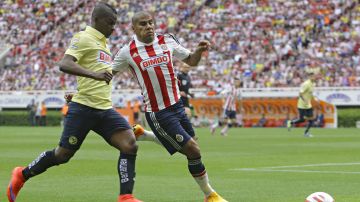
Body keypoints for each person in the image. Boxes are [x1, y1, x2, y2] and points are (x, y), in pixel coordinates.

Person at [7, 3, 142, 202]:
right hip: (84, 108)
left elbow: (96, 71)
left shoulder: (103, 42)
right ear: (96, 20)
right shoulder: (84, 37)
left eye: (115, 24)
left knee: (130, 145)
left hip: (104, 108)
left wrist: (87, 83)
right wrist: (94, 75)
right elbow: (65, 63)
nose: (113, 28)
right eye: (110, 23)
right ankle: (22, 174)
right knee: (63, 155)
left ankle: (126, 197)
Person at [113, 11, 227, 202]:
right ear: (133, 28)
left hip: (178, 106)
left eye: (151, 23)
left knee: (192, 146)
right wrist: (81, 93)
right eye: (143, 24)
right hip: (159, 112)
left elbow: (190, 60)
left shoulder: (167, 41)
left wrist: (198, 51)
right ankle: (210, 195)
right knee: (193, 150)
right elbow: (107, 74)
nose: (148, 26)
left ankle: (146, 135)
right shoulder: (128, 52)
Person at [287, 72, 319, 137]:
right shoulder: (306, 84)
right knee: (302, 120)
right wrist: (305, 101)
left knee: (311, 120)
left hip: (308, 105)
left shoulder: (313, 84)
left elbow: (310, 93)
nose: (314, 77)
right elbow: (300, 94)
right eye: (313, 76)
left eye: (315, 76)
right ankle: (290, 122)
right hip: (302, 105)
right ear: (310, 77)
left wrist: (314, 98)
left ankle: (306, 133)